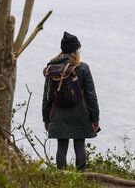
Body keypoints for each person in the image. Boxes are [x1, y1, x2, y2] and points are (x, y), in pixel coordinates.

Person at [42, 31, 100, 171]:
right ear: (76, 49)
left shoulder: (52, 68)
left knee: (61, 148)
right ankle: (80, 180)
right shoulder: (83, 67)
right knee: (79, 146)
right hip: (80, 113)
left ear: (62, 49)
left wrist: (46, 119)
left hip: (58, 114)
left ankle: (62, 179)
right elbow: (91, 96)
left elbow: (47, 97)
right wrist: (95, 118)